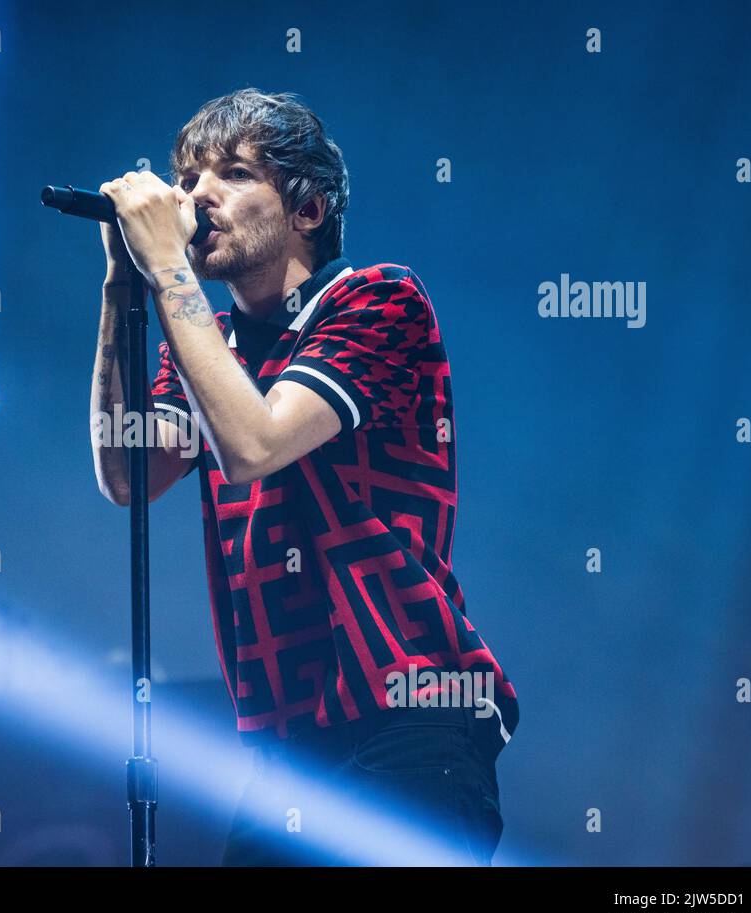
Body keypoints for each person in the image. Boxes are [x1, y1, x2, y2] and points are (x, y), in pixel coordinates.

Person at [88, 88, 520, 866]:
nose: (196, 197)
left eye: (233, 173)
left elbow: (255, 443)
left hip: (411, 719)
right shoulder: (204, 341)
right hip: (284, 751)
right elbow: (127, 474)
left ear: (308, 209)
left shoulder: (378, 299)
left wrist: (166, 272)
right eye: (187, 178)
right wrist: (124, 282)